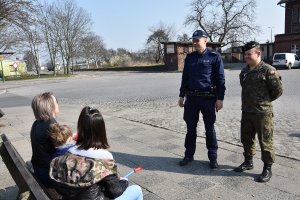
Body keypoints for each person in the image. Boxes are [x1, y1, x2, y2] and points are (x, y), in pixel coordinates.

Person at [49, 106, 143, 200]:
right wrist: (124, 182)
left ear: (80, 128)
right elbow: (115, 191)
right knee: (137, 189)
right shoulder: (104, 158)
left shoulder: (66, 153)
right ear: (101, 131)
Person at [234, 41, 283, 182]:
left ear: (258, 53)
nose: (246, 57)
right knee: (246, 139)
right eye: (245, 54)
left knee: (265, 141)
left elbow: (277, 91)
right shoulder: (244, 71)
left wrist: (263, 103)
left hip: (263, 114)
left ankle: (267, 168)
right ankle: (248, 161)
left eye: (249, 54)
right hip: (247, 111)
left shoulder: (269, 71)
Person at [178, 30, 226, 169]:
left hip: (208, 98)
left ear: (205, 41)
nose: (194, 43)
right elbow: (185, 77)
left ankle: (213, 158)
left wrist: (220, 98)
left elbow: (220, 79)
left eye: (197, 40)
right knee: (190, 129)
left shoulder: (214, 56)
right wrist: (181, 95)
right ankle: (188, 155)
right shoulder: (190, 57)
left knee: (209, 129)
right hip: (191, 98)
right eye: (193, 40)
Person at [30, 92, 59, 186]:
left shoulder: (37, 123)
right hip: (48, 173)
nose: (58, 104)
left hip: (39, 168)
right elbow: (62, 149)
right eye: (56, 102)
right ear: (49, 107)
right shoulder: (51, 124)